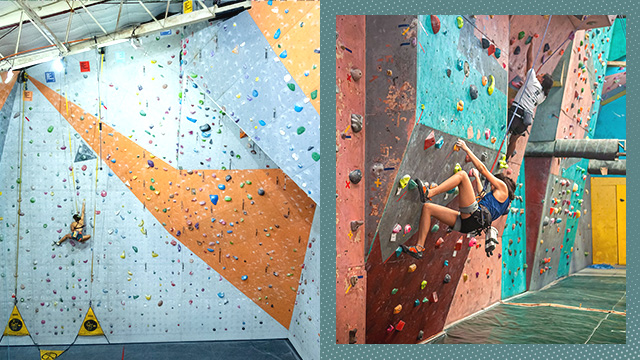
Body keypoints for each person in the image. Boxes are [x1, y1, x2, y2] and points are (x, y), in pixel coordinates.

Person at [401, 139, 515, 259]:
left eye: (493, 183)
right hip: (468, 225)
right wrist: (476, 176)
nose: (492, 186)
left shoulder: (503, 188)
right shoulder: (503, 204)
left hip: (473, 216)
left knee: (462, 175)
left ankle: (429, 193)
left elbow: (483, 169)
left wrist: (467, 149)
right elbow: (482, 195)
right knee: (428, 208)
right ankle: (419, 248)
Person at [505, 39, 554, 160]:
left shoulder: (532, 79)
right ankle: (505, 160)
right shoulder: (544, 96)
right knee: (513, 140)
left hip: (516, 113)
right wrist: (523, 86)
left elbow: (530, 60)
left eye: (541, 75)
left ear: (541, 80)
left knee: (503, 130)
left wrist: (531, 45)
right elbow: (531, 96)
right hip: (525, 121)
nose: (538, 75)